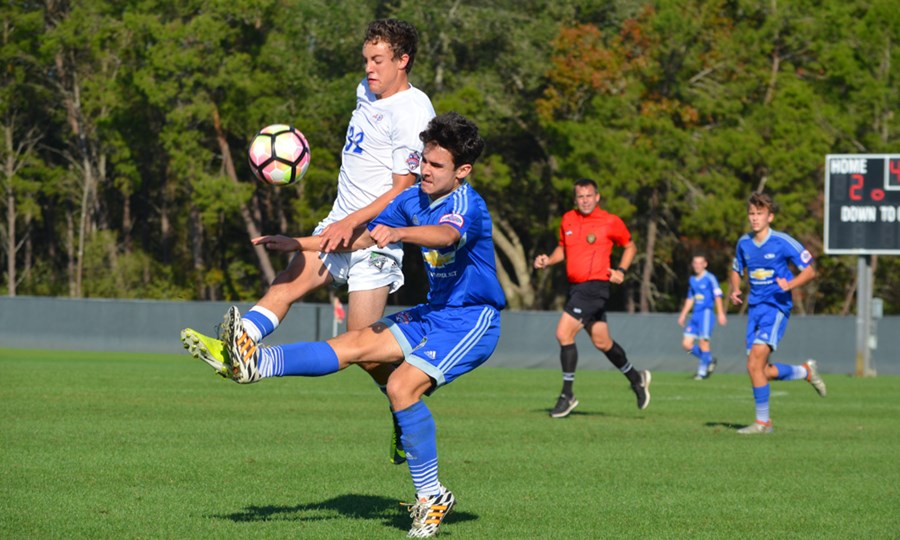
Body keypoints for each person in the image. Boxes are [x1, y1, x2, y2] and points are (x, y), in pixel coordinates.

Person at [188, 113, 504, 537]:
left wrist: (401, 235)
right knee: (353, 344)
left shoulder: (468, 204)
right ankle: (253, 364)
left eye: (436, 165)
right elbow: (362, 237)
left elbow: (445, 237)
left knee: (400, 386)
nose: (425, 171)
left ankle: (432, 497)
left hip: (472, 319)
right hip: (435, 311)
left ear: (462, 170)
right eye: (425, 161)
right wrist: (299, 243)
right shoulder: (412, 200)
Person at [181, 19, 435, 464]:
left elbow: (403, 189)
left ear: (403, 60)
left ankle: (405, 404)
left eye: (378, 61)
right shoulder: (365, 90)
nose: (369, 69)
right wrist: (332, 226)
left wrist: (349, 225)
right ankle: (238, 346)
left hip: (374, 237)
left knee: (363, 348)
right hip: (338, 223)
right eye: (365, 60)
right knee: (287, 282)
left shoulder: (413, 111)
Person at [534, 178, 650, 419]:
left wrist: (621, 271)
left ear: (597, 197)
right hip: (577, 288)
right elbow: (562, 249)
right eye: (580, 196)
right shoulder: (568, 219)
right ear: (575, 199)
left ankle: (567, 395)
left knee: (563, 333)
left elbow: (630, 246)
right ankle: (636, 378)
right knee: (602, 342)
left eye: (589, 196)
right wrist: (548, 260)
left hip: (595, 286)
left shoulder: (609, 221)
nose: (585, 200)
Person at [729, 192, 827, 435]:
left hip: (776, 308)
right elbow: (736, 268)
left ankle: (763, 423)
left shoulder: (783, 241)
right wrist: (734, 288)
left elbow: (810, 270)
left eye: (759, 214)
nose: (754, 218)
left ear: (770, 217)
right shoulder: (744, 243)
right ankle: (805, 371)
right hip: (755, 309)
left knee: (754, 362)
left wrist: (790, 285)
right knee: (758, 370)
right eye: (751, 213)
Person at [677, 253, 727, 380]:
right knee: (686, 345)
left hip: (706, 313)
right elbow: (690, 298)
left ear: (705, 264)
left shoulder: (710, 278)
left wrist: (720, 312)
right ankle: (708, 359)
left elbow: (717, 295)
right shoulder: (692, 280)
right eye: (695, 263)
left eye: (700, 263)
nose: (697, 265)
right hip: (695, 315)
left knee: (703, 343)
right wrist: (683, 315)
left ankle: (702, 372)